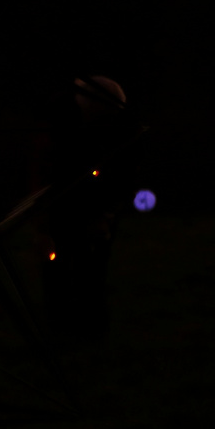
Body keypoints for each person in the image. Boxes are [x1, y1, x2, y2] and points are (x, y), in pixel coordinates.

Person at [41, 75, 134, 344]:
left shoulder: (113, 133)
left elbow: (118, 176)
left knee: (90, 267)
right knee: (61, 264)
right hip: (64, 204)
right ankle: (63, 325)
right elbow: (48, 162)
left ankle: (88, 325)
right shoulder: (62, 125)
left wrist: (105, 214)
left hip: (92, 205)